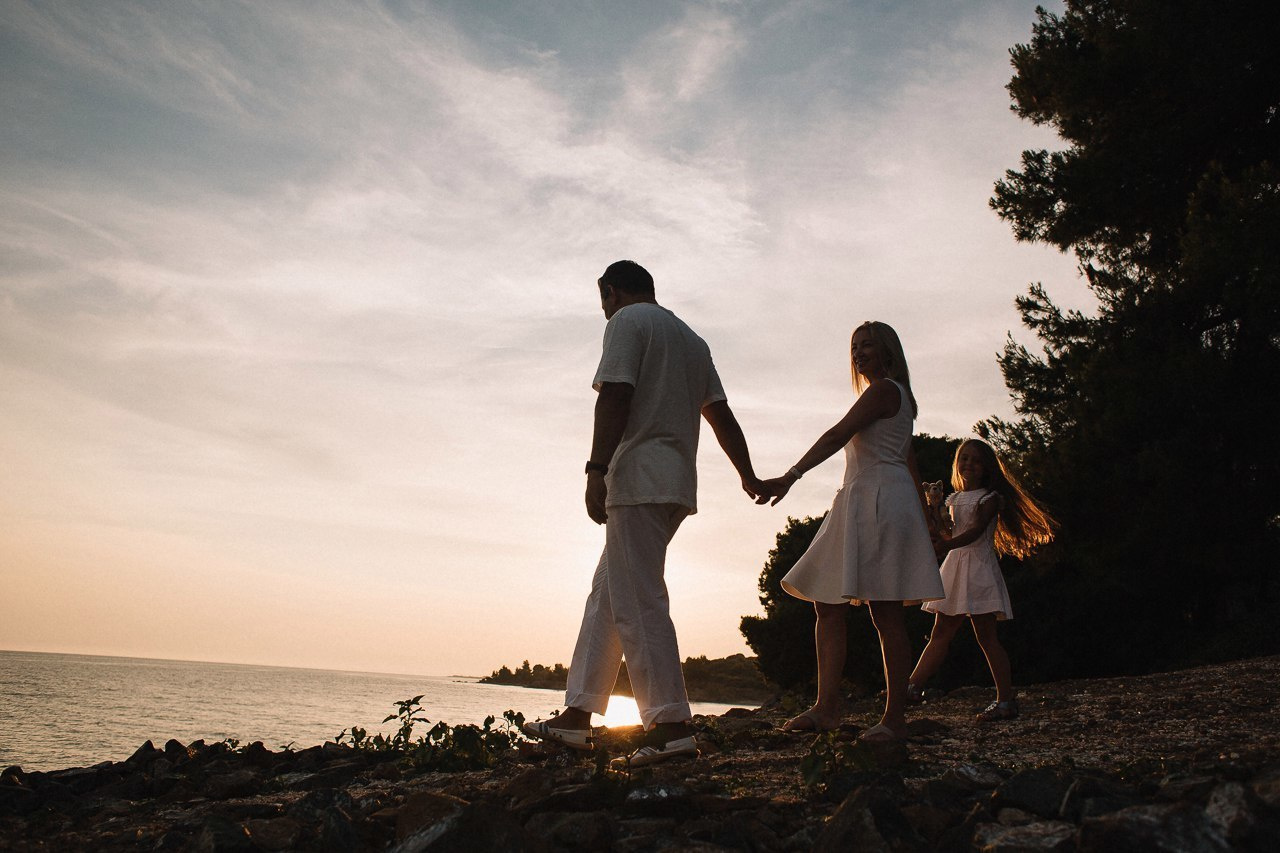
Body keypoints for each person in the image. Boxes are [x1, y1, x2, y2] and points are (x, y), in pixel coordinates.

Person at [522, 260, 762, 767]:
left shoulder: (627, 323)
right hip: (675, 484)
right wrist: (748, 475)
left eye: (603, 300)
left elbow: (615, 394)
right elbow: (720, 414)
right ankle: (578, 714)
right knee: (608, 594)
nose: (603, 311)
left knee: (638, 599)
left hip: (637, 480)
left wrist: (595, 468)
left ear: (611, 291)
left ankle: (671, 725)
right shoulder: (693, 341)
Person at [756, 321, 942, 742]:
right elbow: (910, 457)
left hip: (877, 498)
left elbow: (838, 433)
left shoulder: (885, 390)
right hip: (864, 497)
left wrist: (790, 476)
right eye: (854, 347)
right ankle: (826, 709)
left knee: (885, 612)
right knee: (827, 600)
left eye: (868, 346)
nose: (859, 353)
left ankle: (894, 720)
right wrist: (925, 512)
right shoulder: (896, 396)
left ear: (888, 351)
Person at [906, 438, 1057, 721]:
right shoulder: (954, 499)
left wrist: (948, 545)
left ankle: (1005, 700)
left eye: (975, 460)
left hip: (978, 569)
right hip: (955, 567)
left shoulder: (990, 499)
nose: (969, 464)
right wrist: (934, 514)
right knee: (940, 632)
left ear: (987, 467)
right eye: (964, 459)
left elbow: (975, 531)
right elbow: (949, 532)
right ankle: (911, 687)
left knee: (986, 637)